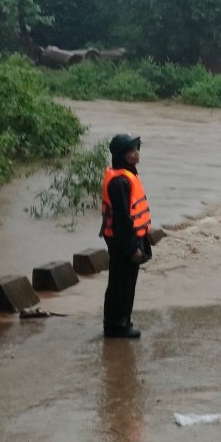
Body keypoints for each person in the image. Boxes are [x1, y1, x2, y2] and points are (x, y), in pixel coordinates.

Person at [100, 133, 153, 339]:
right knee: (121, 283)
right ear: (122, 155)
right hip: (122, 239)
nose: (137, 153)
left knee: (125, 282)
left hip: (127, 237)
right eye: (132, 150)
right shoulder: (120, 182)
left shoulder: (127, 175)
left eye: (137, 148)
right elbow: (123, 218)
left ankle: (121, 321)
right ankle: (116, 326)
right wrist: (133, 247)